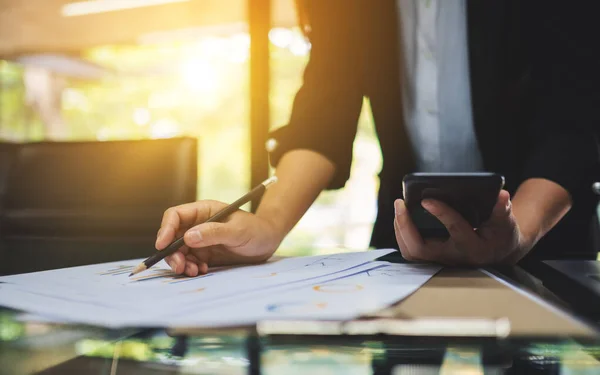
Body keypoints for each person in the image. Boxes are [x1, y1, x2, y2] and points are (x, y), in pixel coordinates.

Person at [156, 0, 600, 276]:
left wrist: (518, 232)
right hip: (404, 238)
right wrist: (266, 225)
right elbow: (323, 114)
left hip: (541, 241)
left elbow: (574, 119)